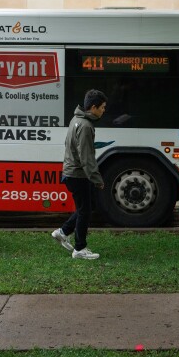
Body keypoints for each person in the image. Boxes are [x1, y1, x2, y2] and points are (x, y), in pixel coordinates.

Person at [51, 89, 108, 260]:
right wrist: (97, 179)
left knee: (84, 208)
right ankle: (79, 249)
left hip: (72, 173)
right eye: (102, 107)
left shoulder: (76, 119)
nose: (104, 110)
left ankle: (62, 232)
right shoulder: (86, 126)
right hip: (78, 175)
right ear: (93, 107)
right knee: (85, 211)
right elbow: (87, 157)